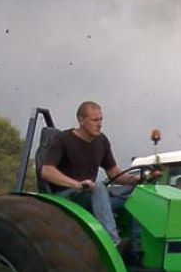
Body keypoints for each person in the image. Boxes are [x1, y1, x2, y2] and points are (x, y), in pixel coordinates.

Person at [40, 101, 143, 249]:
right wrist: (77, 184)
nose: (99, 124)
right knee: (99, 187)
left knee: (137, 197)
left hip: (90, 194)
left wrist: (137, 180)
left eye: (101, 119)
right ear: (81, 120)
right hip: (67, 197)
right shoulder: (63, 139)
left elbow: (113, 172)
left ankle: (136, 248)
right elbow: (47, 171)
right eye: (95, 120)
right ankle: (113, 243)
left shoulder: (101, 141)